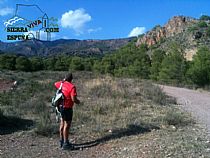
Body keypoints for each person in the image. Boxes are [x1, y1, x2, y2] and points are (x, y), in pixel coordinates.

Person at [54, 73, 80, 150]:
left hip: (60, 107)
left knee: (62, 123)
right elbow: (73, 99)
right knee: (67, 125)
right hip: (67, 108)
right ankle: (66, 144)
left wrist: (63, 81)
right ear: (72, 79)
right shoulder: (72, 87)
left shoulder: (61, 84)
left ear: (65, 78)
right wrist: (78, 102)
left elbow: (55, 84)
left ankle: (61, 141)